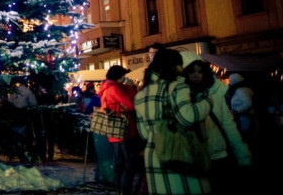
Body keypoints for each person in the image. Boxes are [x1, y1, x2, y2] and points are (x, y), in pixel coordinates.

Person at [134, 47, 213, 194]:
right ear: (174, 66)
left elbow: (144, 133)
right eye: (180, 64)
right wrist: (207, 103)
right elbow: (187, 117)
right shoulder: (176, 87)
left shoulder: (141, 95)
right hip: (178, 154)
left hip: (155, 156)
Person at [181, 52, 251, 193]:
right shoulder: (182, 100)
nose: (196, 75)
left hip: (219, 156)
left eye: (200, 72)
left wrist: (242, 155)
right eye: (192, 72)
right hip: (196, 159)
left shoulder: (216, 96)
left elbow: (228, 125)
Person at [98, 65, 140, 195]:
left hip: (116, 130)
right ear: (118, 77)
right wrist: (132, 88)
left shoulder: (109, 88)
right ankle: (124, 190)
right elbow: (130, 104)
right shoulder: (114, 89)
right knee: (128, 162)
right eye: (123, 76)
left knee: (120, 161)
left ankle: (119, 189)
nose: (125, 78)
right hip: (122, 129)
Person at [226, 73, 256, 144]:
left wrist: (236, 110)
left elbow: (248, 103)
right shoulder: (242, 89)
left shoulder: (240, 91)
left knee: (244, 137)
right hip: (243, 117)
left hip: (243, 118)